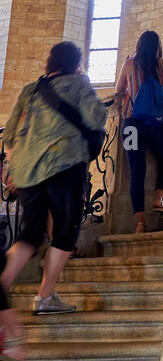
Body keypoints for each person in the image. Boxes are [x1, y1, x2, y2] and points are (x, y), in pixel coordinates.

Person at [0, 41, 107, 314]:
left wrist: (12, 168)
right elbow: (97, 118)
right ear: (75, 63)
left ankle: (1, 284)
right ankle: (45, 296)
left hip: (27, 171)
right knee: (63, 232)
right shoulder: (79, 85)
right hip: (64, 164)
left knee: (30, 233)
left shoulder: (30, 89)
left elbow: (9, 134)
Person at [115, 31, 163, 234]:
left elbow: (118, 89)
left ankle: (140, 222)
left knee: (136, 171)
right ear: (158, 46)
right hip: (159, 124)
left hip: (132, 124)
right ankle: (158, 198)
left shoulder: (130, 63)